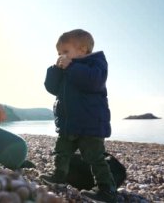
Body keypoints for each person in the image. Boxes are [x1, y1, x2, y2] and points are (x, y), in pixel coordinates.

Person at [41, 29, 117, 202]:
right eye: (59, 53)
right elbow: (53, 88)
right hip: (69, 124)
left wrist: (71, 66)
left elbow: (94, 81)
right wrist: (55, 69)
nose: (61, 56)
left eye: (65, 52)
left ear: (82, 50)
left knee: (95, 157)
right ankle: (59, 176)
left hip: (91, 124)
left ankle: (107, 189)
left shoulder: (96, 64)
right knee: (61, 152)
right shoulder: (66, 69)